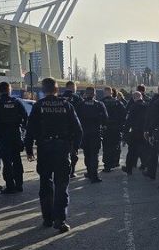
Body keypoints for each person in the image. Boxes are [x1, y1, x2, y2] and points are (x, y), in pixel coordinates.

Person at [25, 77, 82, 232]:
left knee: (45, 182)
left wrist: (29, 149)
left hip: (44, 148)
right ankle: (60, 220)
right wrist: (75, 147)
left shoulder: (38, 105)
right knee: (61, 184)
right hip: (62, 148)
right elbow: (78, 130)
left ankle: (47, 218)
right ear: (57, 90)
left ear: (43, 90)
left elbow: (30, 130)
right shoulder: (66, 105)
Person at [0, 81, 27, 194]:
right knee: (17, 160)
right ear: (9, 90)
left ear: (0, 91)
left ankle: (10, 186)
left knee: (6, 162)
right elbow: (25, 116)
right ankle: (19, 184)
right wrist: (22, 129)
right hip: (15, 135)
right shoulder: (17, 102)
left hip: (2, 136)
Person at [77, 86, 108, 183]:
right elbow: (105, 118)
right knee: (94, 155)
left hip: (84, 133)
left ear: (86, 94)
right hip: (95, 133)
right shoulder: (99, 104)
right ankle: (94, 176)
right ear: (94, 94)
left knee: (87, 154)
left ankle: (89, 172)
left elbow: (76, 119)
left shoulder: (80, 104)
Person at [100, 87, 127, 172]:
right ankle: (115, 162)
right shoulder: (118, 102)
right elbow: (124, 114)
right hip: (116, 128)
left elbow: (98, 115)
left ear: (105, 93)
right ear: (111, 93)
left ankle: (107, 165)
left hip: (106, 128)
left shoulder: (101, 102)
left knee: (107, 146)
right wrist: (121, 125)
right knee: (116, 145)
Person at [122, 91, 149, 175]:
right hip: (145, 132)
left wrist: (125, 134)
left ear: (134, 98)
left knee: (132, 150)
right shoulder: (147, 105)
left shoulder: (133, 107)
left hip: (135, 132)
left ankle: (128, 168)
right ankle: (146, 166)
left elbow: (128, 121)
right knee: (144, 150)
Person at [61, 81, 83, 176]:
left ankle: (62, 171)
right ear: (73, 87)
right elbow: (83, 112)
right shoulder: (77, 98)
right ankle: (72, 171)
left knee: (62, 152)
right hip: (73, 128)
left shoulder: (59, 97)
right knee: (73, 151)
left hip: (61, 129)